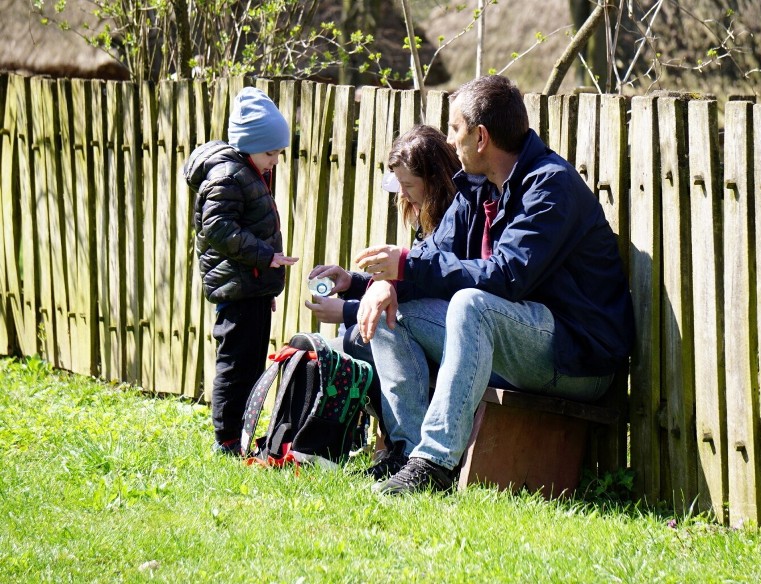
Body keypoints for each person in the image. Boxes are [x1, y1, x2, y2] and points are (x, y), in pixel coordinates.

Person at [354, 75, 635, 494]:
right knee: (397, 316)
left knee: (472, 304)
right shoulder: (475, 188)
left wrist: (405, 267)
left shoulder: (551, 187)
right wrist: (390, 284)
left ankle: (434, 463)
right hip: (519, 341)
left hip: (576, 356)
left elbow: (506, 277)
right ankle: (407, 454)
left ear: (480, 136)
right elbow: (432, 257)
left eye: (455, 129)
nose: (449, 141)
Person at [304, 125, 461, 472]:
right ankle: (377, 446)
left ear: (434, 179)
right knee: (345, 347)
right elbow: (405, 283)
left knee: (378, 329)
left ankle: (410, 452)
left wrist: (346, 310)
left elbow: (425, 287)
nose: (403, 195)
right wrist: (352, 282)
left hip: (456, 329)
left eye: (408, 185)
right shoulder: (430, 214)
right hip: (430, 323)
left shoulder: (456, 215)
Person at [184, 86, 299, 456]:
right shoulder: (229, 176)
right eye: (271, 152)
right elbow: (217, 228)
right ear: (248, 145)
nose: (276, 160)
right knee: (235, 365)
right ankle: (228, 439)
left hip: (250, 288)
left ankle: (240, 436)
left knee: (249, 362)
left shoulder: (248, 172)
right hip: (236, 288)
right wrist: (266, 258)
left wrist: (265, 285)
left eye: (279, 152)